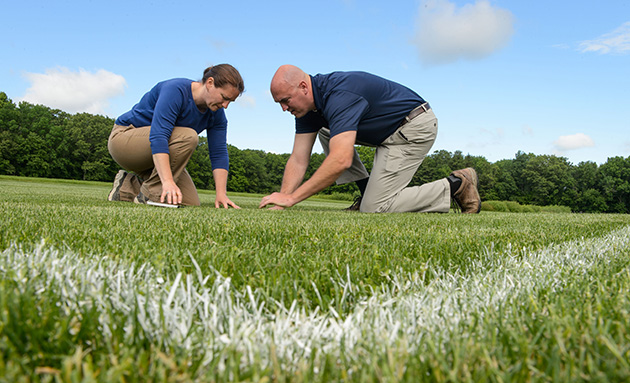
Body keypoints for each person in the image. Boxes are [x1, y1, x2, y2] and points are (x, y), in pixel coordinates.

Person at [259, 65, 481, 214]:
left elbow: (341, 160)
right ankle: (366, 193)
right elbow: (298, 159)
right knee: (327, 131)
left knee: (374, 208)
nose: (284, 108)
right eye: (279, 102)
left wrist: (293, 198)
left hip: (413, 127)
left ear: (304, 87)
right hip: (387, 133)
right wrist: (282, 200)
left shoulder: (340, 95)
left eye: (286, 100)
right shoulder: (308, 110)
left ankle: (456, 185)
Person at [107, 64, 243, 208]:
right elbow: (159, 136)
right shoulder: (175, 90)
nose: (226, 105)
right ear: (210, 83)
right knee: (188, 137)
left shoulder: (217, 115)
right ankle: (150, 194)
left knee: (189, 202)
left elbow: (219, 153)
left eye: (230, 101)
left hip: (156, 155)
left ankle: (125, 186)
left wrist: (221, 194)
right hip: (125, 140)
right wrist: (167, 181)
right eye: (224, 97)